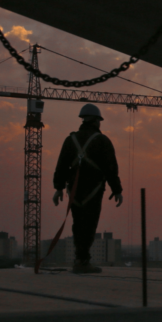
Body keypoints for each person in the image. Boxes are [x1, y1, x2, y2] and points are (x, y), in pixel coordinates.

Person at [52, 104, 123, 274]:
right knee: (89, 225)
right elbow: (110, 168)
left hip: (74, 191)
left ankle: (80, 259)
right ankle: (83, 262)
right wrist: (117, 189)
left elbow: (61, 166)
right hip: (94, 190)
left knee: (78, 225)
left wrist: (59, 188)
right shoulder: (102, 141)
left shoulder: (71, 140)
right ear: (97, 121)